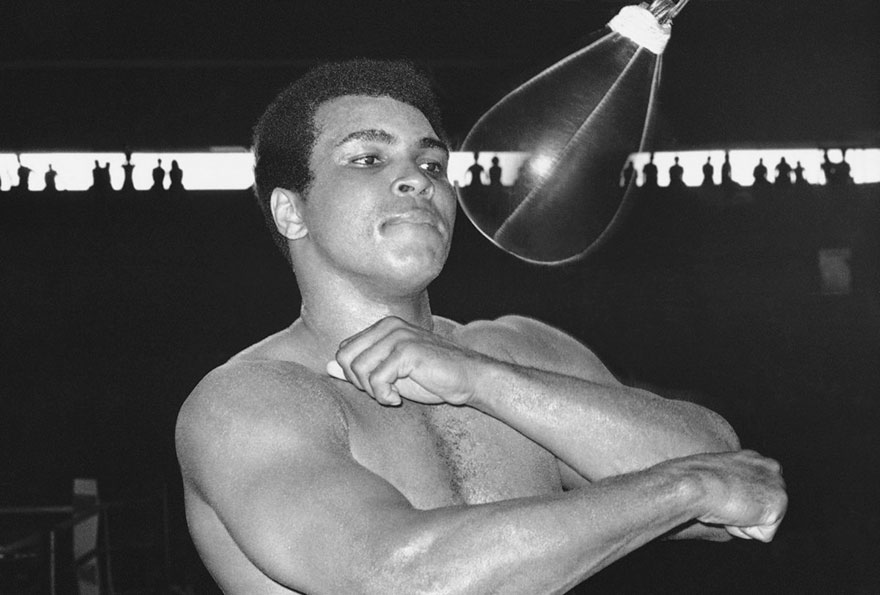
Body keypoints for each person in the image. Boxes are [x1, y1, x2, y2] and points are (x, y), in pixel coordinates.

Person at [176, 59, 786, 595]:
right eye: (368, 158)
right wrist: (680, 490)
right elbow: (399, 581)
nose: (417, 178)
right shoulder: (246, 401)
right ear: (291, 211)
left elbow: (729, 481)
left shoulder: (515, 349)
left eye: (433, 162)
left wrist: (481, 381)